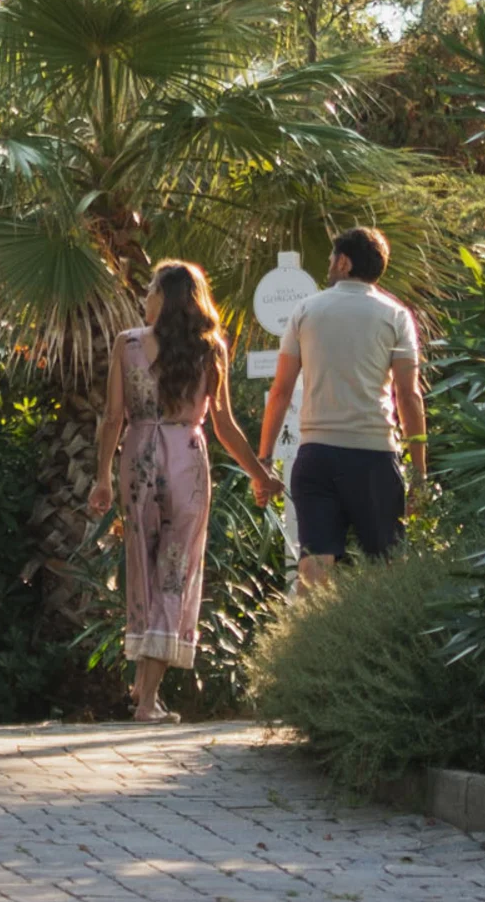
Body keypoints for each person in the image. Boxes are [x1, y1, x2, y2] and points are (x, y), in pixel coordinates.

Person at [88, 262, 283, 722]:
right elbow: (225, 426)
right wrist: (258, 473)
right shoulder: (210, 347)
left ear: (163, 296)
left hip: (137, 458)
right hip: (186, 460)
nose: (145, 299)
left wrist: (101, 477)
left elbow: (113, 419)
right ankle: (148, 699)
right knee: (175, 573)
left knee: (144, 570)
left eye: (150, 289)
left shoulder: (128, 343)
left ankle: (145, 693)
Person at [257, 226, 425, 589]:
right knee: (388, 567)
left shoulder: (305, 311)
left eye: (332, 258)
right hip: (373, 455)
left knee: (315, 562)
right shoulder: (396, 316)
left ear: (345, 262)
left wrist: (264, 457)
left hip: (317, 453)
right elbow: (408, 395)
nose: (329, 265)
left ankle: (309, 641)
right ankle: (385, 640)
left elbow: (281, 391)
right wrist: (421, 474)